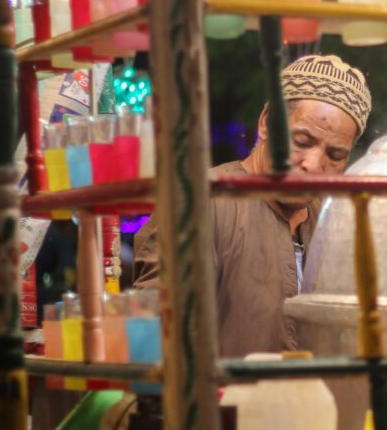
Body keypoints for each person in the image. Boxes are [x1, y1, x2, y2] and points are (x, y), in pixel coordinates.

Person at [133, 55, 372, 357]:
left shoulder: (337, 219)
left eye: (335, 156)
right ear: (265, 123)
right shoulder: (201, 202)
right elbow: (157, 338)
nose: (313, 165)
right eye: (301, 141)